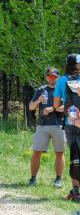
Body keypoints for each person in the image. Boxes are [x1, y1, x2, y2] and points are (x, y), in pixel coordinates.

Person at [28, 67, 65, 188]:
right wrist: (39, 100)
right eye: (50, 76)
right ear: (46, 77)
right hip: (42, 125)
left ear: (58, 78)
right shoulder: (40, 90)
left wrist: (53, 109)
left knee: (59, 153)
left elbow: (67, 107)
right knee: (36, 152)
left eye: (54, 76)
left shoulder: (63, 90)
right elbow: (31, 107)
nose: (52, 78)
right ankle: (33, 179)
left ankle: (58, 179)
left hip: (59, 125)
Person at [58, 54, 80, 201]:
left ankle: (76, 192)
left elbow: (55, 104)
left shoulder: (62, 80)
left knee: (75, 157)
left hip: (71, 123)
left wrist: (61, 107)